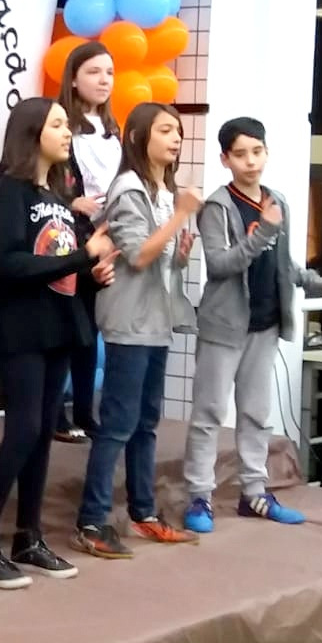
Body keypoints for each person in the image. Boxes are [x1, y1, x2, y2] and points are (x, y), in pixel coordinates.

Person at [0, 99, 115, 589]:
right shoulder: (7, 194)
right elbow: (9, 263)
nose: (67, 132)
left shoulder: (58, 196)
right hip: (20, 328)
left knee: (43, 434)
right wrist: (80, 259)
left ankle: (28, 536)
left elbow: (61, 262)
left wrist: (91, 273)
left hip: (59, 325)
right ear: (32, 133)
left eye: (67, 124)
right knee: (23, 431)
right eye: (57, 124)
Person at [183, 117, 322, 532]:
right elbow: (219, 265)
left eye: (257, 152)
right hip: (223, 327)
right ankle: (199, 497)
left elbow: (283, 265)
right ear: (225, 159)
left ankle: (254, 493)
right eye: (240, 154)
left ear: (267, 153)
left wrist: (318, 283)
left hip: (265, 324)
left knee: (257, 414)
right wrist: (262, 233)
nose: (251, 161)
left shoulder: (277, 202)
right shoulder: (218, 206)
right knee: (208, 413)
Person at [72, 102, 202, 559]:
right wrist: (179, 217)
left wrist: (180, 252)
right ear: (137, 137)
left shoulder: (164, 190)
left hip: (156, 320)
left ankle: (143, 512)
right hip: (130, 321)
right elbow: (139, 255)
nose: (175, 138)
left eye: (178, 131)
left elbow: (161, 260)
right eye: (165, 130)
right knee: (118, 424)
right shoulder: (129, 188)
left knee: (146, 423)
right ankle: (91, 520)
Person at [54, 41, 122, 443]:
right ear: (74, 78)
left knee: (90, 331)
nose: (104, 80)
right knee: (68, 326)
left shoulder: (113, 130)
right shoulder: (62, 124)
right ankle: (56, 412)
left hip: (107, 235)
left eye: (109, 72)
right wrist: (70, 201)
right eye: (94, 72)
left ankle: (84, 410)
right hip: (71, 237)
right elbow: (41, 179)